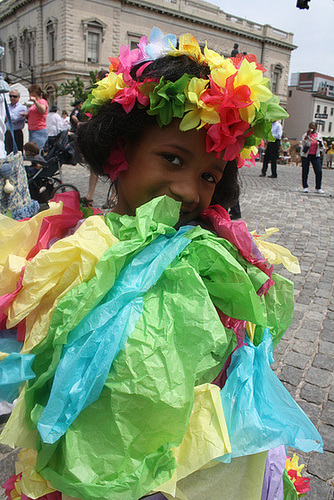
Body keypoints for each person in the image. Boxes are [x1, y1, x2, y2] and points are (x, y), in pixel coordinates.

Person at [0, 28, 321, 500]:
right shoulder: (72, 251)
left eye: (209, 176)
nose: (190, 192)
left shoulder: (217, 262)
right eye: (171, 159)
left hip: (195, 470)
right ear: (119, 151)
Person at [300, 121, 324, 193]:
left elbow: (322, 147)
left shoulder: (318, 135)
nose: (312, 128)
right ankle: (305, 186)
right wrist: (307, 136)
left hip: (315, 155)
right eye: (311, 126)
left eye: (313, 126)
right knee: (305, 171)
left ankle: (318, 187)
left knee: (318, 171)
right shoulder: (305, 135)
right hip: (306, 155)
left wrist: (320, 143)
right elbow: (303, 144)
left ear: (316, 128)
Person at [26, 84, 49, 150]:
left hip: (39, 130)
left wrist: (35, 101)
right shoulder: (33, 104)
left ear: (35, 93)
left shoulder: (42, 101)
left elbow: (42, 110)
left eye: (30, 92)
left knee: (36, 151)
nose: (29, 94)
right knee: (32, 151)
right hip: (32, 129)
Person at [4, 89, 27, 153]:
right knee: (7, 151)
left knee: (18, 152)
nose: (12, 98)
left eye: (14, 96)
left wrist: (7, 118)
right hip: (7, 132)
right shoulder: (7, 107)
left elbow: (15, 118)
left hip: (16, 132)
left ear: (18, 97)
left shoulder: (22, 107)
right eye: (10, 96)